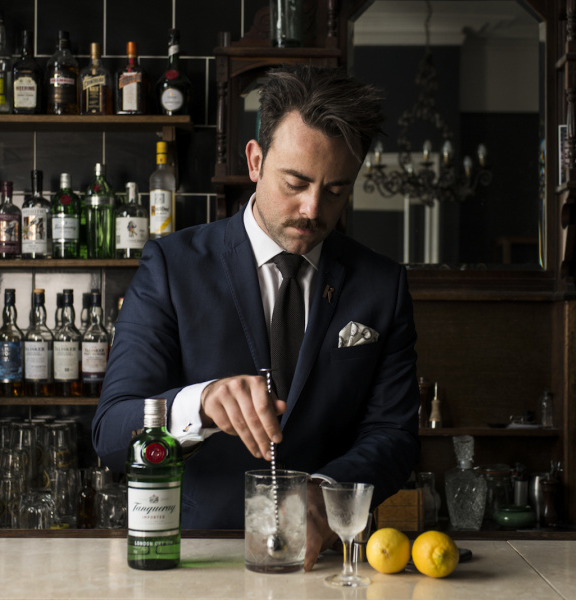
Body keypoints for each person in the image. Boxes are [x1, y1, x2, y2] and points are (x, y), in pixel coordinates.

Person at [92, 64, 419, 570]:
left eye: (336, 190)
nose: (313, 209)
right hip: (200, 560)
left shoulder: (383, 284)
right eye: (296, 182)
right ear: (255, 161)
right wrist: (200, 404)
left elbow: (394, 436)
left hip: (327, 564)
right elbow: (112, 433)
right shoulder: (172, 267)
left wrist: (326, 492)